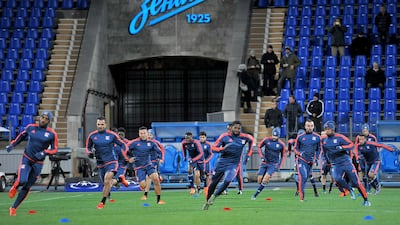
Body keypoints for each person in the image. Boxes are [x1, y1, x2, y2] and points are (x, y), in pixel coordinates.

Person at [6, 111, 58, 216]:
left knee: (28, 186)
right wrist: (12, 145)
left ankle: (13, 208)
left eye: (46, 118)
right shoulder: (31, 127)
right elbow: (21, 136)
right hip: (27, 158)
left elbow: (55, 149)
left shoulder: (52, 134)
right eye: (42, 117)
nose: (43, 120)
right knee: (22, 180)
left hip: (38, 163)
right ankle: (15, 186)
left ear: (49, 121)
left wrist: (44, 152)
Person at [202, 121, 254, 210]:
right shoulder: (224, 136)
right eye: (235, 128)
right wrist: (222, 149)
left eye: (239, 128)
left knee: (228, 180)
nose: (237, 130)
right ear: (231, 128)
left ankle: (214, 196)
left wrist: (248, 155)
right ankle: (207, 202)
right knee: (213, 183)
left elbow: (252, 140)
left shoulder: (244, 137)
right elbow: (213, 148)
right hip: (222, 162)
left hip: (234, 164)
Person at [321, 121, 371, 206]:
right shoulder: (324, 140)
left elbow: (351, 145)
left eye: (328, 129)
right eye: (325, 129)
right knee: (337, 178)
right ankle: (349, 189)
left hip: (346, 162)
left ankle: (366, 200)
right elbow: (325, 151)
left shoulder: (340, 137)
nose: (326, 130)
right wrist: (327, 160)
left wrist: (342, 147)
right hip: (336, 164)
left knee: (356, 182)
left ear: (332, 129)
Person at [86, 116, 130, 209]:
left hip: (112, 161)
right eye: (98, 124)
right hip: (100, 163)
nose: (100, 126)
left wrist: (127, 153)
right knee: (106, 183)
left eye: (102, 124)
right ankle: (119, 180)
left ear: (105, 124)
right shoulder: (92, 136)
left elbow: (122, 144)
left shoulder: (112, 135)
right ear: (96, 124)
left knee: (107, 180)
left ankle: (102, 202)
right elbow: (88, 147)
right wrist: (89, 153)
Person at [128, 126, 165, 204]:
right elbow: (124, 150)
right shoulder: (134, 143)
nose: (143, 135)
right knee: (143, 185)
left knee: (156, 179)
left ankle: (159, 200)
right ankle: (144, 191)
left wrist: (161, 158)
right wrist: (129, 158)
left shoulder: (151, 143)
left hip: (148, 165)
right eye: (141, 133)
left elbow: (160, 151)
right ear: (139, 134)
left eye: (144, 133)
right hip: (139, 167)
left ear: (147, 134)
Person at [251, 127, 286, 200]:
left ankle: (255, 195)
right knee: (259, 180)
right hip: (265, 162)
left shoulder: (281, 144)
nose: (274, 137)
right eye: (273, 135)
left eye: (276, 136)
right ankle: (264, 181)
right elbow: (259, 146)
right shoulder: (266, 140)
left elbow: (283, 155)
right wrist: (261, 156)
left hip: (273, 164)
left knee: (265, 179)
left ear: (278, 136)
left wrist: (280, 165)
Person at [293, 120, 321, 201]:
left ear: (313, 126)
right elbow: (295, 148)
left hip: (310, 162)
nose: (310, 127)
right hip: (301, 160)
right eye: (308, 126)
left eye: (311, 126)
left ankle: (314, 192)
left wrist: (316, 158)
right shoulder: (300, 137)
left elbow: (319, 149)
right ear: (305, 127)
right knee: (303, 176)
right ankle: (302, 198)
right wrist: (299, 153)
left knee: (309, 177)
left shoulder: (317, 137)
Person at [141, 129, 165, 201]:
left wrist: (161, 159)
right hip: (146, 162)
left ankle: (154, 196)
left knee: (151, 179)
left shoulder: (155, 143)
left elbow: (162, 150)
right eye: (148, 134)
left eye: (150, 134)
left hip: (154, 162)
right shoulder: (143, 143)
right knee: (148, 178)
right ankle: (146, 194)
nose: (149, 136)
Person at [199, 131, 214, 197]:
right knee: (198, 175)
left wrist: (206, 161)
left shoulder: (208, 144)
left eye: (203, 137)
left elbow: (211, 154)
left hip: (206, 163)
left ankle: (206, 188)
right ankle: (197, 188)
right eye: (201, 137)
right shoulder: (197, 144)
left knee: (208, 175)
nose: (202, 138)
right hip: (198, 162)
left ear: (206, 137)